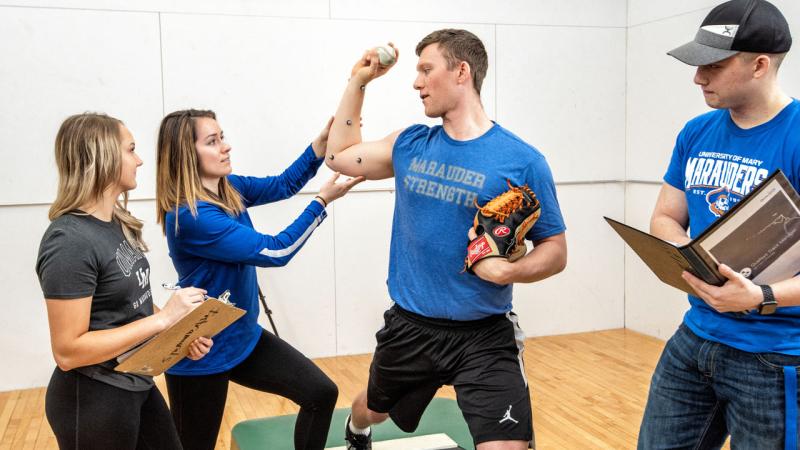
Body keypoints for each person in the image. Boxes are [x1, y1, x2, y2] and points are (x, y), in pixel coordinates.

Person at [326, 29, 568, 449]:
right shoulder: (411, 144)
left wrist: (509, 270)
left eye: (425, 69)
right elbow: (338, 156)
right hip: (411, 327)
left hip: (485, 335)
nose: (416, 82)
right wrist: (358, 81)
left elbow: (556, 250)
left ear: (461, 72)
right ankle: (356, 429)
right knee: (373, 409)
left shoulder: (524, 161)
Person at [640, 1, 800, 448]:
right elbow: (666, 216)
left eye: (713, 64)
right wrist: (687, 256)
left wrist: (761, 295)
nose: (698, 77)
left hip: (774, 356)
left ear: (760, 65)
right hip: (695, 339)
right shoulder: (696, 131)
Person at [155, 109, 363, 450]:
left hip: (241, 336)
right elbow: (277, 251)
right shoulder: (191, 216)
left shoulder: (228, 188)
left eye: (221, 137)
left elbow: (282, 184)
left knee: (320, 393)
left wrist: (318, 146)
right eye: (212, 141)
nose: (225, 147)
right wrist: (322, 202)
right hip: (200, 354)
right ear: (185, 155)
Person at [36, 112, 211, 450]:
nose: (140, 160)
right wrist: (164, 319)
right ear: (102, 157)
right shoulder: (68, 241)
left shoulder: (114, 222)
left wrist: (177, 332)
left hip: (135, 382)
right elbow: (68, 351)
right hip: (92, 398)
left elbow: (134, 305)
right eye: (131, 150)